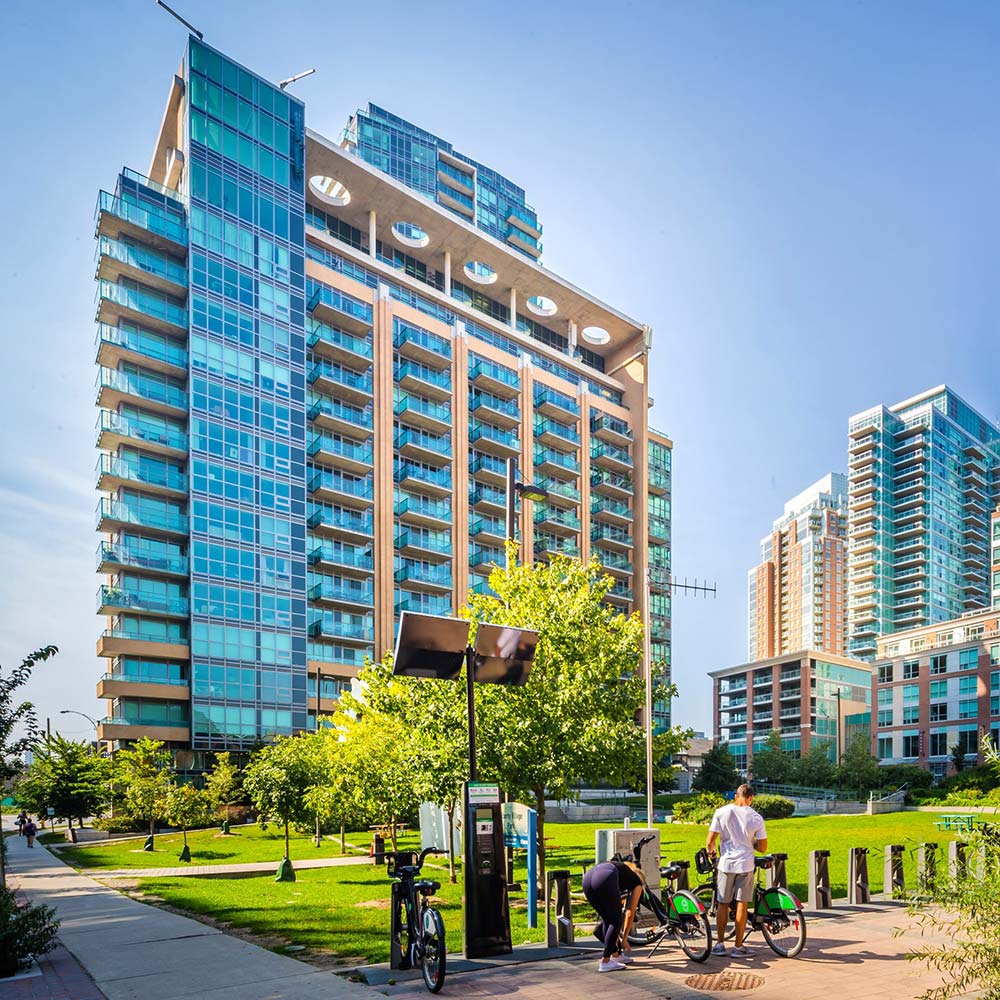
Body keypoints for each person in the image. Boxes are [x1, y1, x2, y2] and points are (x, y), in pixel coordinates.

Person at [706, 783, 767, 959]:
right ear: (751, 798)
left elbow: (710, 841)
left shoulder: (721, 812)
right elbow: (762, 847)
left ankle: (719, 944)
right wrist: (751, 843)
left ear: (735, 796)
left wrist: (712, 853)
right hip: (745, 864)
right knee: (742, 903)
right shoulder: (756, 817)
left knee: (722, 903)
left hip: (726, 864)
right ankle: (738, 947)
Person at [582, 859, 645, 973]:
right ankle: (605, 962)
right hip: (605, 877)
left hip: (588, 878)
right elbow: (630, 913)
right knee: (616, 920)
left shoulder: (621, 868)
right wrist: (625, 939)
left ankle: (616, 955)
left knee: (608, 918)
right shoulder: (637, 882)